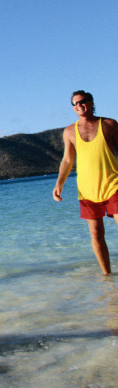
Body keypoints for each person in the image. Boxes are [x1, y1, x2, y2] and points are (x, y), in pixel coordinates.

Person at [53, 90, 118, 275]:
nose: (78, 106)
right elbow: (67, 160)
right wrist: (59, 184)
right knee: (96, 234)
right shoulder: (69, 132)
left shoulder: (109, 124)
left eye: (81, 102)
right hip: (87, 190)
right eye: (74, 104)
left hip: (114, 183)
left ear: (91, 102)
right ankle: (108, 277)